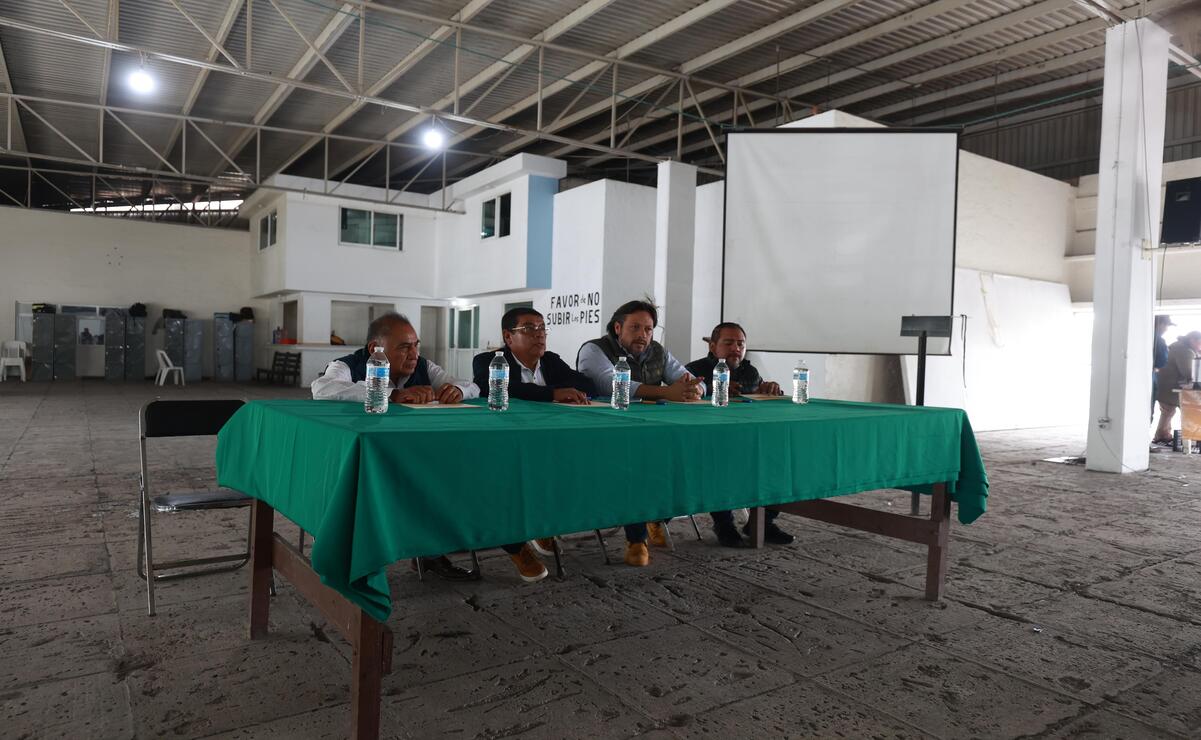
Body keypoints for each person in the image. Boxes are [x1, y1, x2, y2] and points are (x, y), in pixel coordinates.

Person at [311, 312, 479, 581]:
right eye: (404, 347)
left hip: (410, 454)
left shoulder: (423, 366)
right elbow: (322, 388)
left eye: (416, 345)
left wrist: (457, 391)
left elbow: (468, 385)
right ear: (374, 349)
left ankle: (431, 552)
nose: (413, 354)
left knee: (442, 477)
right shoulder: (348, 365)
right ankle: (357, 559)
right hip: (364, 457)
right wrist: (391, 394)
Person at [577, 299, 705, 567]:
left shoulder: (658, 352)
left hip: (653, 430)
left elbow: (684, 377)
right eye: (635, 327)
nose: (643, 335)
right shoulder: (594, 349)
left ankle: (657, 519)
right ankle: (636, 539)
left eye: (648, 329)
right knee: (638, 469)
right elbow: (609, 383)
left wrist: (695, 389)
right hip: (606, 432)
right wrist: (665, 392)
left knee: (688, 462)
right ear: (617, 327)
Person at [472, 307, 596, 582]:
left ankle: (542, 523)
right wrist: (551, 393)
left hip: (549, 444)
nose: (539, 334)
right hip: (502, 445)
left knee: (581, 467)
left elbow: (585, 384)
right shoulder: (489, 361)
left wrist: (570, 391)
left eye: (542, 328)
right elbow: (496, 388)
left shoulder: (550, 361)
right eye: (529, 328)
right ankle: (515, 545)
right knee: (502, 482)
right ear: (508, 336)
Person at [686, 322, 794, 548]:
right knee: (719, 463)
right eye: (729, 343)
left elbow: (758, 392)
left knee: (782, 457)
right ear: (713, 347)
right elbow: (682, 402)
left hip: (751, 438)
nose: (736, 348)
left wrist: (768, 387)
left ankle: (762, 522)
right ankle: (724, 524)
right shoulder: (694, 370)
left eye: (741, 343)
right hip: (709, 441)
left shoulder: (750, 371)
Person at [1154, 330, 1201, 444]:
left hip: (1163, 385)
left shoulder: (1178, 346)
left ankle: (1162, 435)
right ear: (1192, 340)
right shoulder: (1185, 351)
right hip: (1171, 387)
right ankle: (1190, 439)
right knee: (1171, 410)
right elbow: (1190, 373)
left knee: (1167, 411)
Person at [1153, 315, 1173, 433]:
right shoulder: (1158, 340)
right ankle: (1142, 443)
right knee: (1147, 410)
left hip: (1143, 375)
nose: (1166, 329)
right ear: (1161, 324)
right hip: (1152, 375)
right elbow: (1162, 360)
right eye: (1166, 326)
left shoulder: (1142, 335)